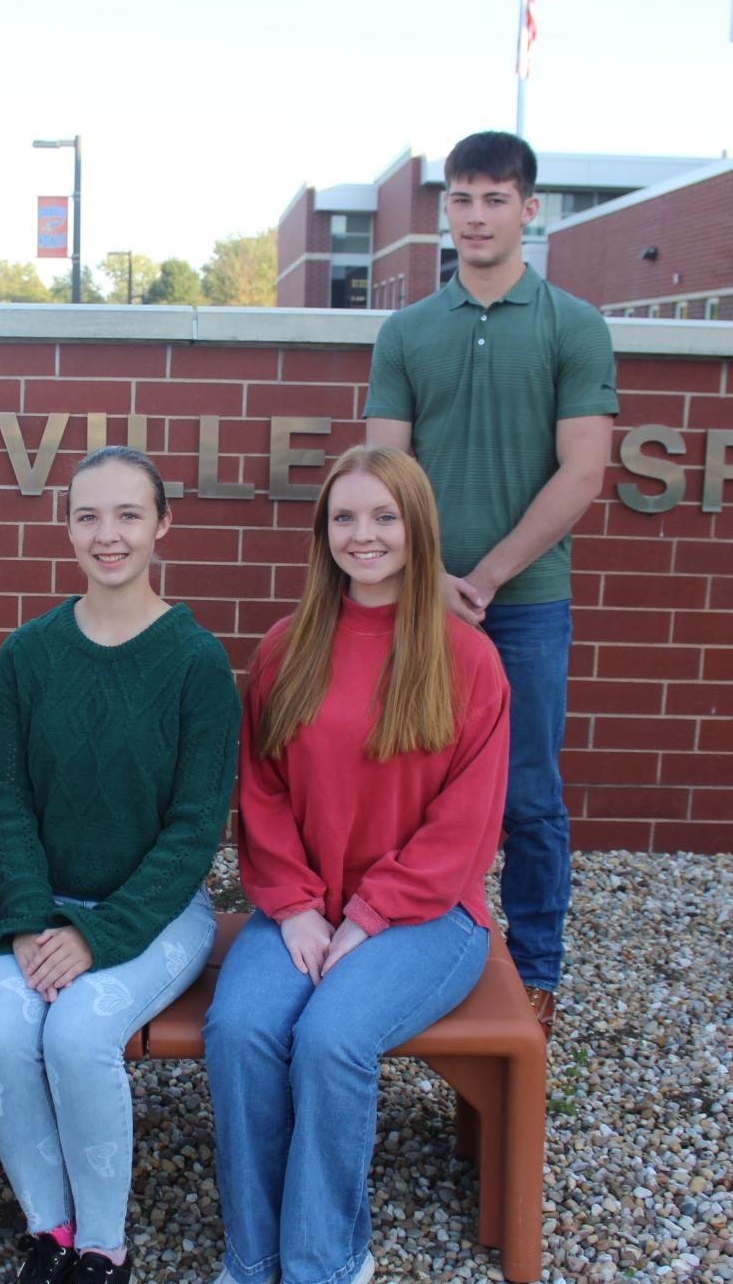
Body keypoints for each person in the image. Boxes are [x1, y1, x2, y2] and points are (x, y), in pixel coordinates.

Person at [203, 445, 509, 1284]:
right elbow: (261, 793)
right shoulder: (285, 647)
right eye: (345, 517)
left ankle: (322, 1262)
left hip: (427, 915)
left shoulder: (467, 659)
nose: (363, 534)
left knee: (335, 1036)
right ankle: (253, 1255)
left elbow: (464, 825)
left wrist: (369, 916)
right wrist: (297, 904)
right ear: (322, 531)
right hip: (301, 904)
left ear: (417, 529)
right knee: (240, 1029)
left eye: (383, 516)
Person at [0, 446, 241, 1284]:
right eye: (88, 515)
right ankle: (50, 1230)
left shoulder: (198, 664)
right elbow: (5, 801)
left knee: (81, 1033)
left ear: (163, 523)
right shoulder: (28, 654)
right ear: (68, 525)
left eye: (127, 514)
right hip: (39, 904)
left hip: (153, 911)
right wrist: (35, 914)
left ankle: (103, 1248)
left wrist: (95, 934)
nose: (107, 534)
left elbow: (196, 830)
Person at [364, 130, 617, 1029]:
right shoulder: (408, 330)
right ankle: (401, 942)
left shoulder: (573, 326)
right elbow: (383, 471)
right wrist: (429, 578)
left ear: (529, 208)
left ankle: (538, 970)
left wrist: (487, 576)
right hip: (414, 599)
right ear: (447, 211)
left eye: (495, 199)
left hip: (527, 605)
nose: (476, 216)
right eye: (461, 199)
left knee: (530, 794)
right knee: (404, 779)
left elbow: (583, 470)